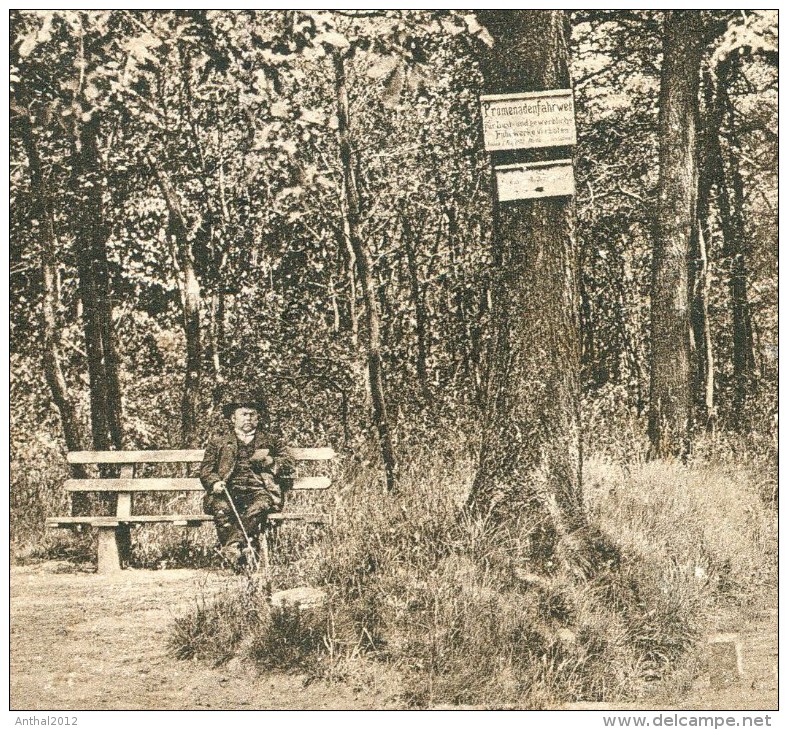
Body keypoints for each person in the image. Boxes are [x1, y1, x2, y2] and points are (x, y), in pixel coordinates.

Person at [200, 392, 293, 569]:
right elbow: (206, 470)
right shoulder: (218, 442)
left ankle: (231, 549)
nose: (248, 418)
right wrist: (214, 483)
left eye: (252, 415)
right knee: (221, 511)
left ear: (258, 418)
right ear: (233, 418)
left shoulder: (271, 440)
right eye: (244, 414)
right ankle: (242, 554)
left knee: (258, 508)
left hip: (260, 491)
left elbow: (288, 464)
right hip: (228, 491)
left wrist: (271, 461)